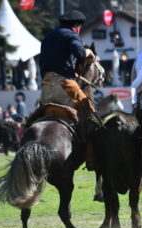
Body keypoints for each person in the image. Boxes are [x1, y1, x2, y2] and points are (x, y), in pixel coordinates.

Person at [39, 10, 97, 170]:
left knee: (38, 115)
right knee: (91, 115)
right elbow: (79, 53)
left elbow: (42, 62)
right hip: (65, 85)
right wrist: (88, 52)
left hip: (46, 85)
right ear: (77, 26)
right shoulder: (71, 35)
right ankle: (91, 158)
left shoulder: (47, 37)